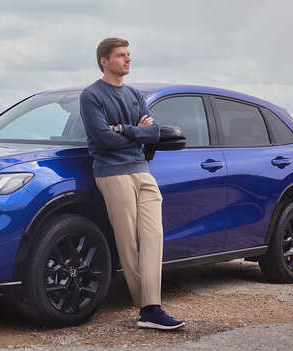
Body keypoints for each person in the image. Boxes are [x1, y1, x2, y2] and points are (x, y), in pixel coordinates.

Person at [79, 37, 186, 330]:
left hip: (142, 172)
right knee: (128, 242)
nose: (128, 60)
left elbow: (154, 134)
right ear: (104, 60)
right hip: (112, 173)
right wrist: (136, 132)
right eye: (121, 55)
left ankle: (151, 306)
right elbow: (102, 138)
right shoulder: (91, 96)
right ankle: (148, 307)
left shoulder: (135, 94)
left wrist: (123, 130)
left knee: (153, 237)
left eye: (128, 55)